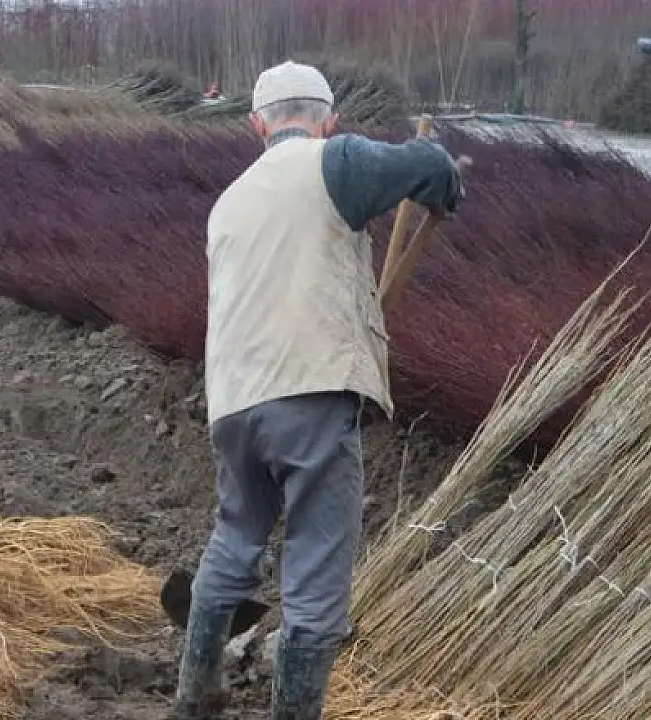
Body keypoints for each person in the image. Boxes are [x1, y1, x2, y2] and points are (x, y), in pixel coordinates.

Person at [171, 60, 465, 720]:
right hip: (310, 397)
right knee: (316, 577)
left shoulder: (227, 204)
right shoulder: (337, 162)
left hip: (233, 405)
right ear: (329, 121)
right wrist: (448, 184)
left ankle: (195, 693)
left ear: (257, 126)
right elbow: (429, 166)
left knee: (235, 538)